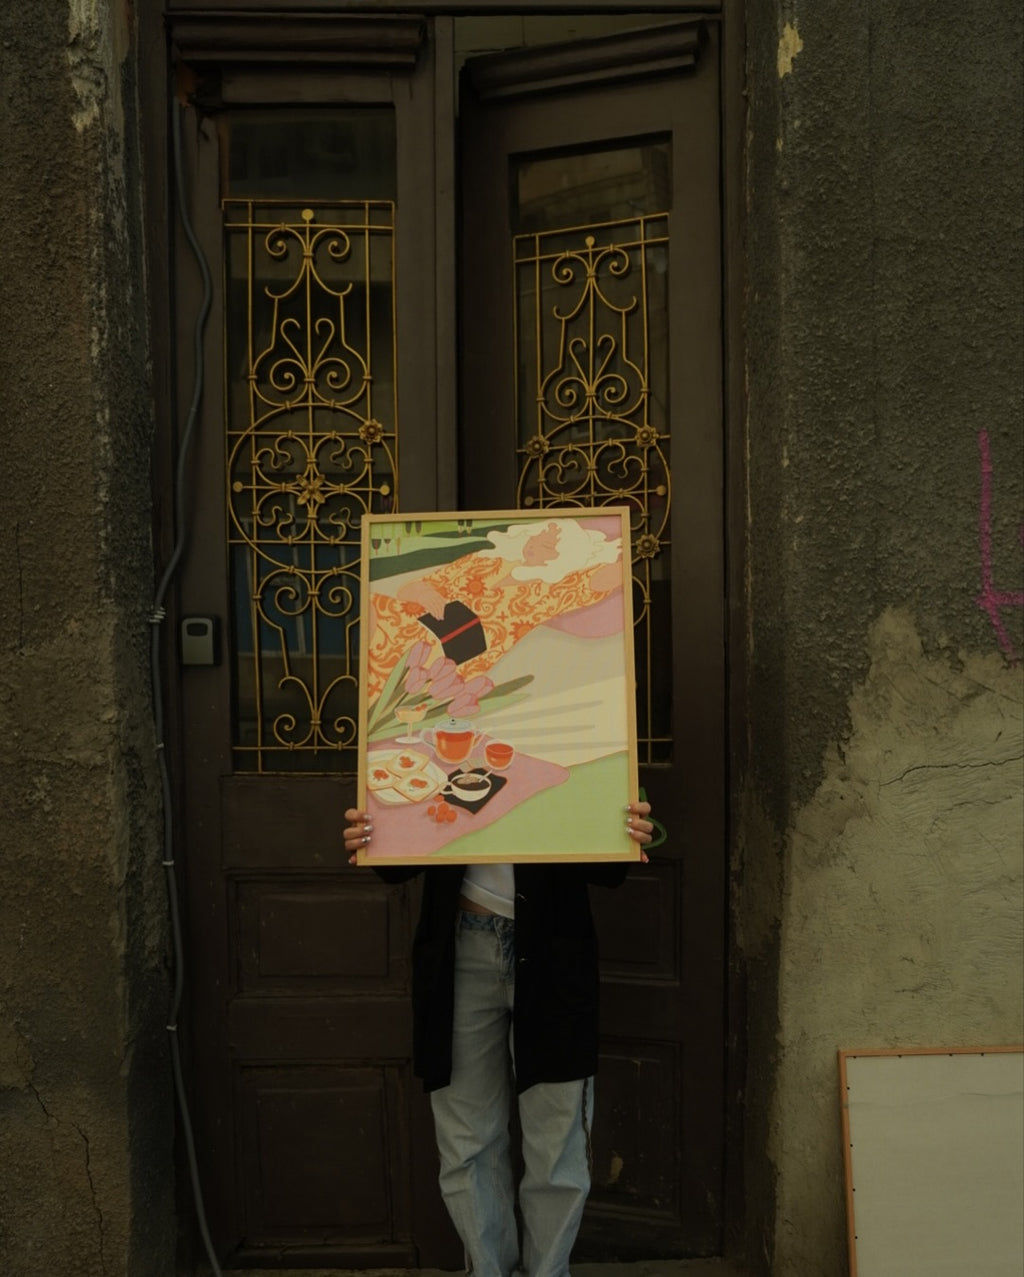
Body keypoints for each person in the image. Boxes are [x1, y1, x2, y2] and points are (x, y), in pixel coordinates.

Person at [343, 802, 655, 1277]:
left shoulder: (581, 732)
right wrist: (372, 834)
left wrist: (628, 828)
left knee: (557, 1139)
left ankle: (548, 1272)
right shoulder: (431, 730)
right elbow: (396, 864)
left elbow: (609, 868)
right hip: (459, 946)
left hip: (554, 952)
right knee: (467, 1137)